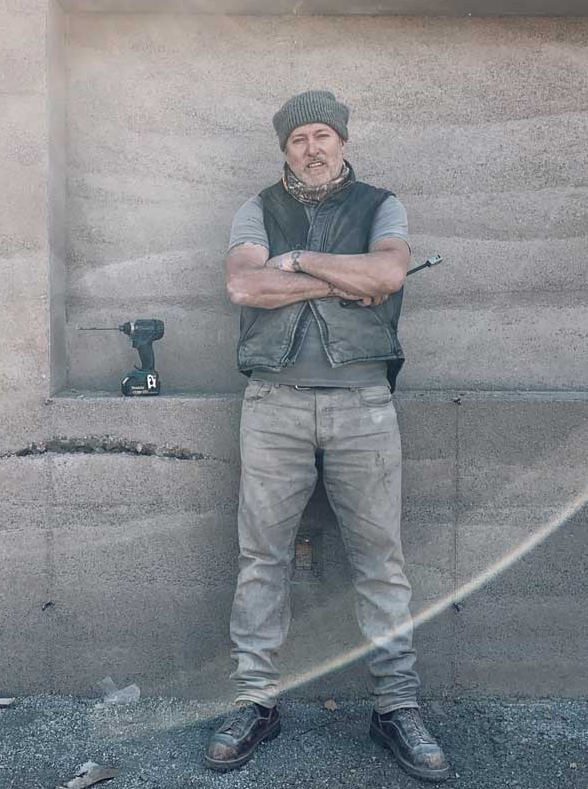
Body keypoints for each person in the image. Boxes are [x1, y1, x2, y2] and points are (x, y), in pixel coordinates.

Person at [203, 90, 450, 782]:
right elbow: (244, 288)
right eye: (297, 139)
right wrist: (335, 279)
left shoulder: (381, 204)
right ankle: (256, 702)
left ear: (341, 140)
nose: (311, 148)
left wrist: (294, 263)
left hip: (363, 403)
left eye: (322, 135)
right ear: (284, 149)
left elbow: (388, 273)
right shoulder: (257, 208)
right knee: (262, 558)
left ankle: (396, 708)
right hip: (273, 402)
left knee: (381, 560)